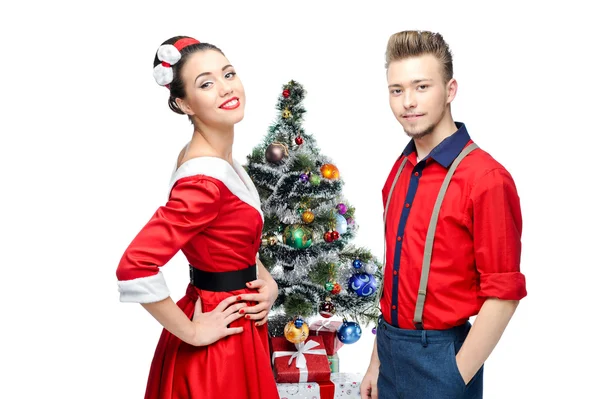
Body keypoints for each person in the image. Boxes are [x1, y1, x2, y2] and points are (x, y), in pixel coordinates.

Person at [360, 30, 527, 399]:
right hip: (389, 350)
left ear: (449, 90)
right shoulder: (400, 169)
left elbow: (504, 294)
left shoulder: (486, 179)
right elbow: (395, 275)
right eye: (397, 90)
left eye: (421, 87)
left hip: (442, 358)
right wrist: (376, 361)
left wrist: (454, 377)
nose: (408, 102)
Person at [115, 35, 280, 399]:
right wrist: (192, 332)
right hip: (219, 343)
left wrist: (266, 281)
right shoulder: (203, 180)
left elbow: (223, 239)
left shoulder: (212, 160)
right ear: (183, 103)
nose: (225, 88)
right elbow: (135, 265)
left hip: (236, 318)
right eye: (206, 83)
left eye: (228, 74)